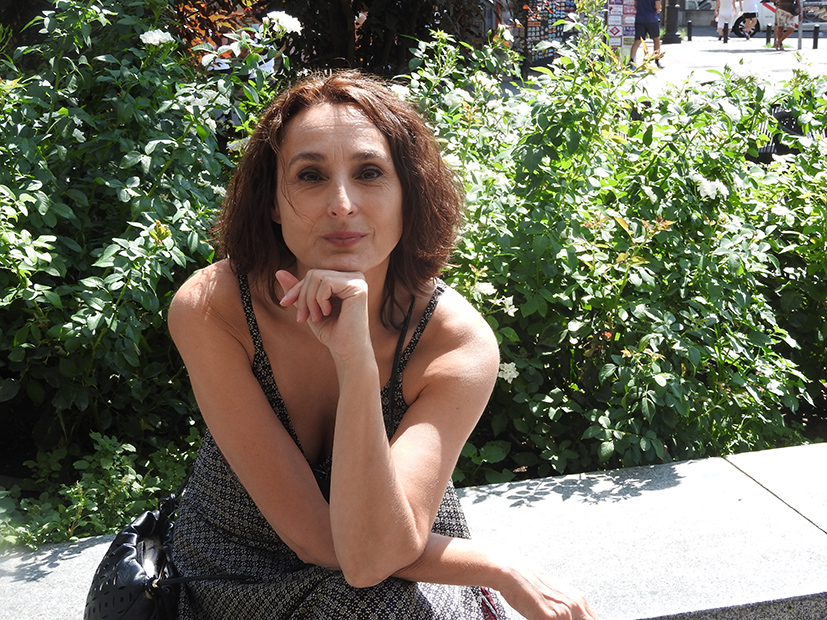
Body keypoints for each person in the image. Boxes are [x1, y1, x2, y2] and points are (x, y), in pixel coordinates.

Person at [168, 70, 600, 620]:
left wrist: (355, 363)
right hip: (239, 572)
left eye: (369, 173)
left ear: (407, 194)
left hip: (400, 552)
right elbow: (327, 544)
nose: (342, 203)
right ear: (273, 201)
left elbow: (374, 553)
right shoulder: (215, 308)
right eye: (310, 175)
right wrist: (499, 566)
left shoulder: (452, 341)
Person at [629, 0, 664, 69]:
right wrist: (659, 9)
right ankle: (657, 60)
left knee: (637, 41)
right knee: (656, 40)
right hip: (652, 19)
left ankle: (631, 60)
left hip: (640, 19)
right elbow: (657, 6)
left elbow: (636, 5)